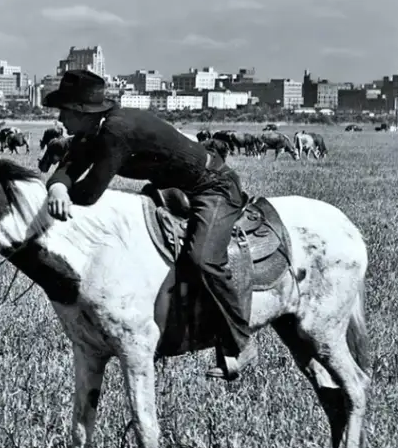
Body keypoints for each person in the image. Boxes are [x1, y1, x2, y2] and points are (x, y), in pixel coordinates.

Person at [43, 69, 257, 380]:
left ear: (80, 111)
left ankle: (241, 342)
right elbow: (69, 166)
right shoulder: (92, 130)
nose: (60, 117)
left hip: (212, 187)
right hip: (170, 188)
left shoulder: (117, 130)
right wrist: (57, 187)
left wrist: (65, 190)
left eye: (64, 110)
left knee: (204, 259)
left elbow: (90, 191)